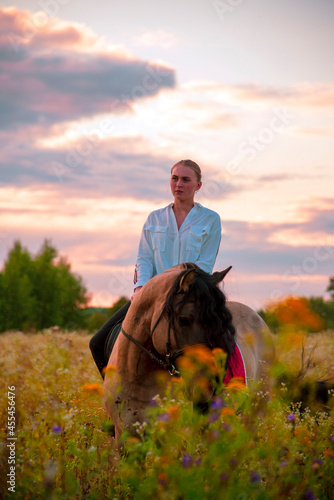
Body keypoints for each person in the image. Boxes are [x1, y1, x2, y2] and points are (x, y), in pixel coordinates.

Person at [89, 159, 222, 378]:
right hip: (152, 297)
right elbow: (144, 259)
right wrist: (140, 288)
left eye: (186, 179)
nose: (178, 184)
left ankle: (208, 404)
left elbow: (205, 265)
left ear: (198, 186)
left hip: (191, 297)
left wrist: (179, 289)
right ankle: (116, 398)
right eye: (174, 178)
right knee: (98, 342)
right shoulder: (154, 219)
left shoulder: (210, 220)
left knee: (219, 347)